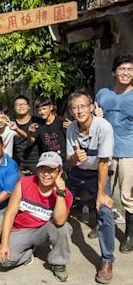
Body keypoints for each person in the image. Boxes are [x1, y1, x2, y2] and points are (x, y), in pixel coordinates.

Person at [0, 152, 73, 282]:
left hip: (43, 230)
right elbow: (10, 213)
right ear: (37, 170)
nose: (46, 174)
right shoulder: (24, 183)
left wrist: (60, 193)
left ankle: (58, 262)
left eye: (51, 170)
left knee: (64, 227)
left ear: (59, 172)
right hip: (20, 229)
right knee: (3, 262)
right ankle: (28, 252)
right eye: (42, 169)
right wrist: (3, 244)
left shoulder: (66, 194)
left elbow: (60, 221)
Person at [66, 91, 115, 284]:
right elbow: (69, 162)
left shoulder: (103, 127)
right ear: (71, 111)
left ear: (91, 107)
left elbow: (103, 163)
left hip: (99, 174)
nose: (79, 111)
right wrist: (74, 158)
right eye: (75, 108)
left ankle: (107, 261)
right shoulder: (71, 128)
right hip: (77, 173)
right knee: (59, 203)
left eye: (83, 106)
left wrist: (101, 194)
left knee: (104, 211)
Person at [95, 52, 133, 254]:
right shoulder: (103, 93)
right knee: (103, 191)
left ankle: (129, 234)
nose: (126, 73)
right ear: (114, 72)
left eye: (130, 69)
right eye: (122, 69)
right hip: (105, 152)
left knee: (127, 195)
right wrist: (96, 115)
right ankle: (102, 224)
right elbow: (94, 120)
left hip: (129, 152)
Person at [27, 96, 68, 171]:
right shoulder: (39, 125)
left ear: (51, 107)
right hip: (48, 162)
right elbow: (30, 142)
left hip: (64, 162)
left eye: (44, 109)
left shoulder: (61, 121)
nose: (42, 112)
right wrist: (29, 133)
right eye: (39, 110)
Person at [12, 95, 42, 174]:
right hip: (17, 162)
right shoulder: (11, 123)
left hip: (36, 161)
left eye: (23, 104)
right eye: (18, 105)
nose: (21, 106)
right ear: (14, 108)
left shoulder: (37, 121)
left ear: (29, 107)